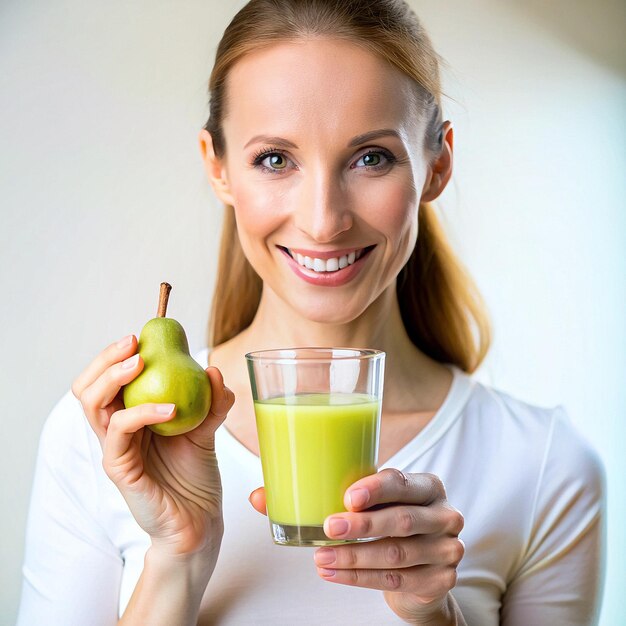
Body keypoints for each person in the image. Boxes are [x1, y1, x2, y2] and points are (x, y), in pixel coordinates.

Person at [17, 1, 605, 624]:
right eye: (275, 159)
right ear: (218, 167)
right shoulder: (108, 441)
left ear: (438, 164)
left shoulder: (545, 467)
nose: (324, 221)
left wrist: (436, 615)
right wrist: (177, 558)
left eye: (371, 157)